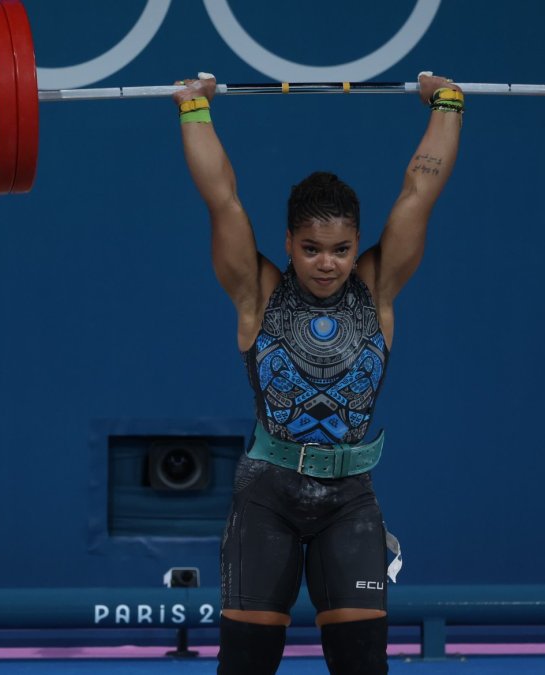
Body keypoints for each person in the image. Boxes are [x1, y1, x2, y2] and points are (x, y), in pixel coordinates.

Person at [173, 71, 463, 675]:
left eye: (339, 249)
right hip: (267, 497)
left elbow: (420, 192)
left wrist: (447, 101)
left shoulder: (377, 289)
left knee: (362, 666)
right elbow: (222, 198)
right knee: (247, 666)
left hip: (349, 502)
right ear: (289, 242)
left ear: (356, 245)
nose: (326, 264)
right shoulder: (258, 294)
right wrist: (193, 109)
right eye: (310, 248)